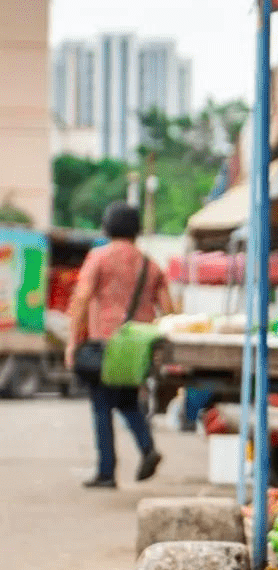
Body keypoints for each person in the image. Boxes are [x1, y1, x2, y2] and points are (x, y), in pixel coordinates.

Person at [65, 202, 174, 489]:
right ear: (137, 230)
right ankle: (147, 447)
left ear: (107, 226)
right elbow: (170, 310)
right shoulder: (151, 265)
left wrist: (72, 343)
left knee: (102, 406)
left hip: (107, 343)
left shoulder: (99, 258)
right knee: (126, 400)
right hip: (138, 346)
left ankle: (106, 471)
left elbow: (81, 300)